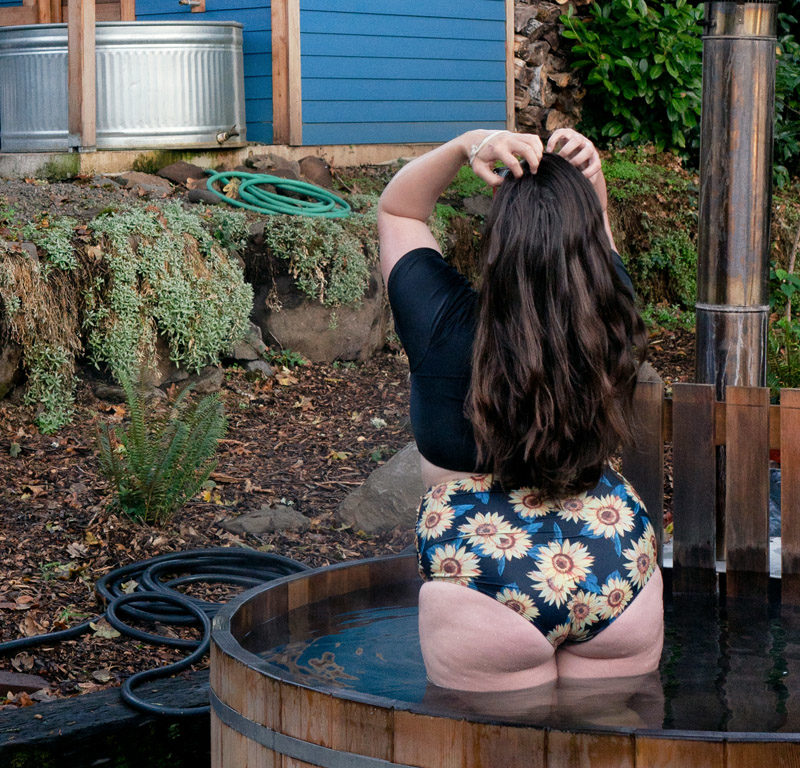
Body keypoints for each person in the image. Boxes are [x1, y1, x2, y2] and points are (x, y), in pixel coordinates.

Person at [377, 128, 664, 692]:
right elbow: (598, 250)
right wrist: (591, 184)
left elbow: (398, 210)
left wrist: (467, 144)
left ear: (500, 237)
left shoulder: (441, 323)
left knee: (494, 745)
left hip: (480, 566)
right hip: (611, 557)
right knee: (609, 740)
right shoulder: (610, 314)